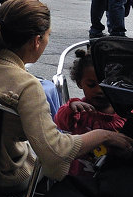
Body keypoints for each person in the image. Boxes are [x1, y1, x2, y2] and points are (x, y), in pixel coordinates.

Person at [0, 0, 132, 191]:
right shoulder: (27, 86)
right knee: (49, 167)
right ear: (36, 41)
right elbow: (55, 152)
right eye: (48, 35)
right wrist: (102, 135)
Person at [53, 49, 128, 177]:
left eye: (106, 85)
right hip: (79, 177)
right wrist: (70, 107)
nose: (99, 90)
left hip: (115, 178)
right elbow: (60, 122)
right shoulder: (79, 110)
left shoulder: (126, 113)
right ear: (79, 83)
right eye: (92, 85)